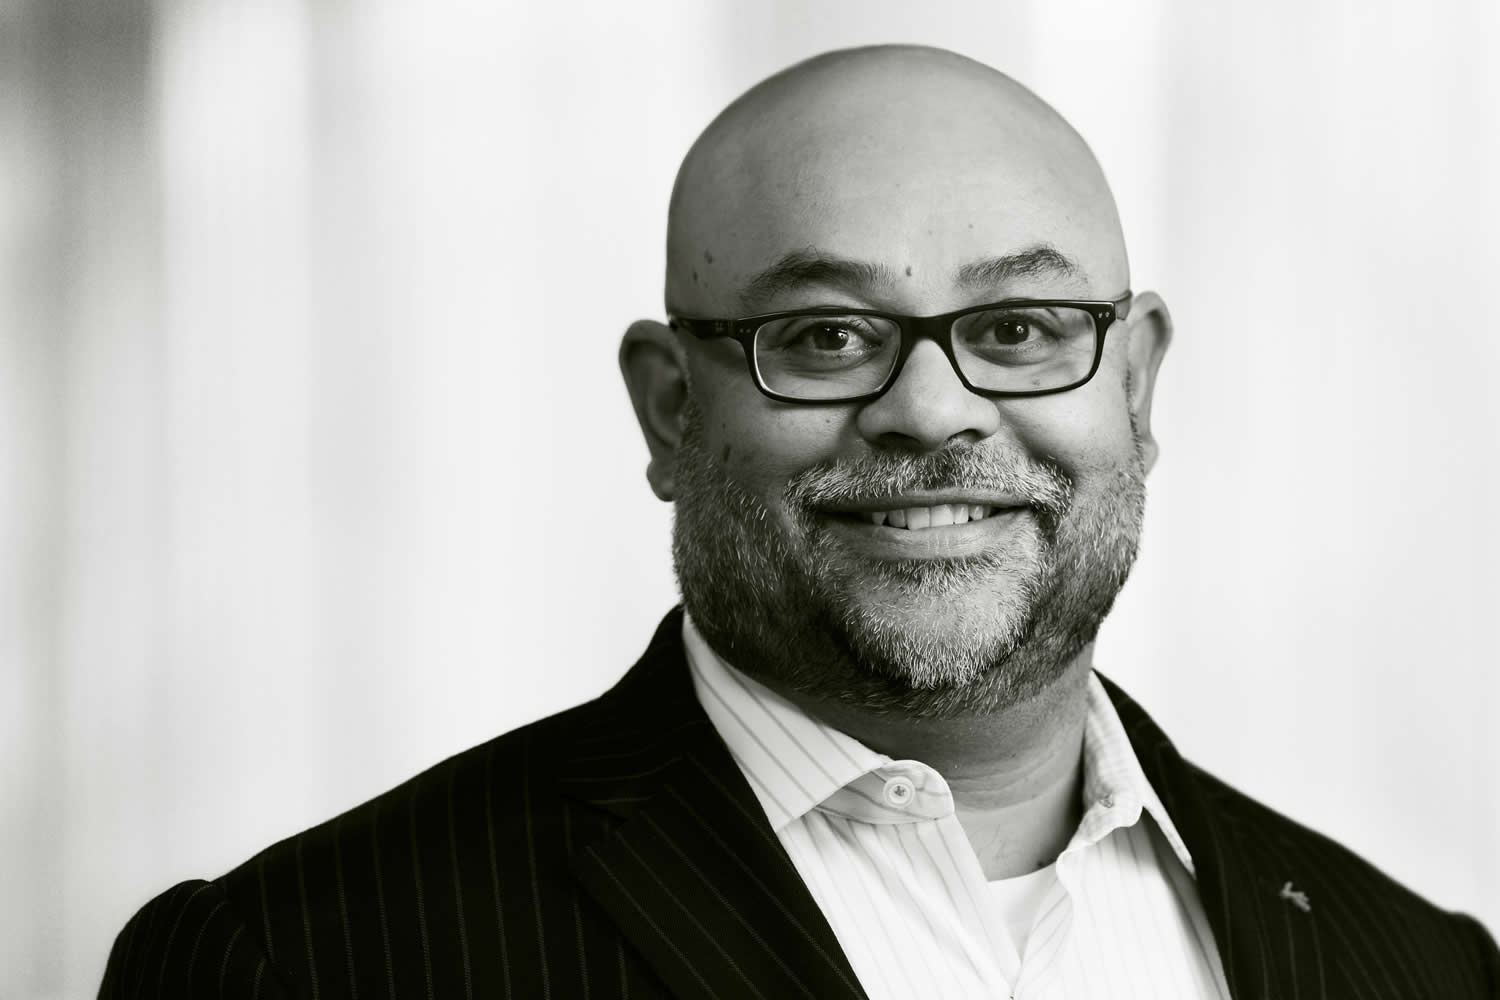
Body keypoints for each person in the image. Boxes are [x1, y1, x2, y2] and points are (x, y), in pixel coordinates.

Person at [100, 45, 1497, 1000]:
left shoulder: (1423, 972)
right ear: (669, 410)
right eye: (826, 336)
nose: (935, 411)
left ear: (1136, 387)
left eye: (1019, 327)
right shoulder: (304, 962)